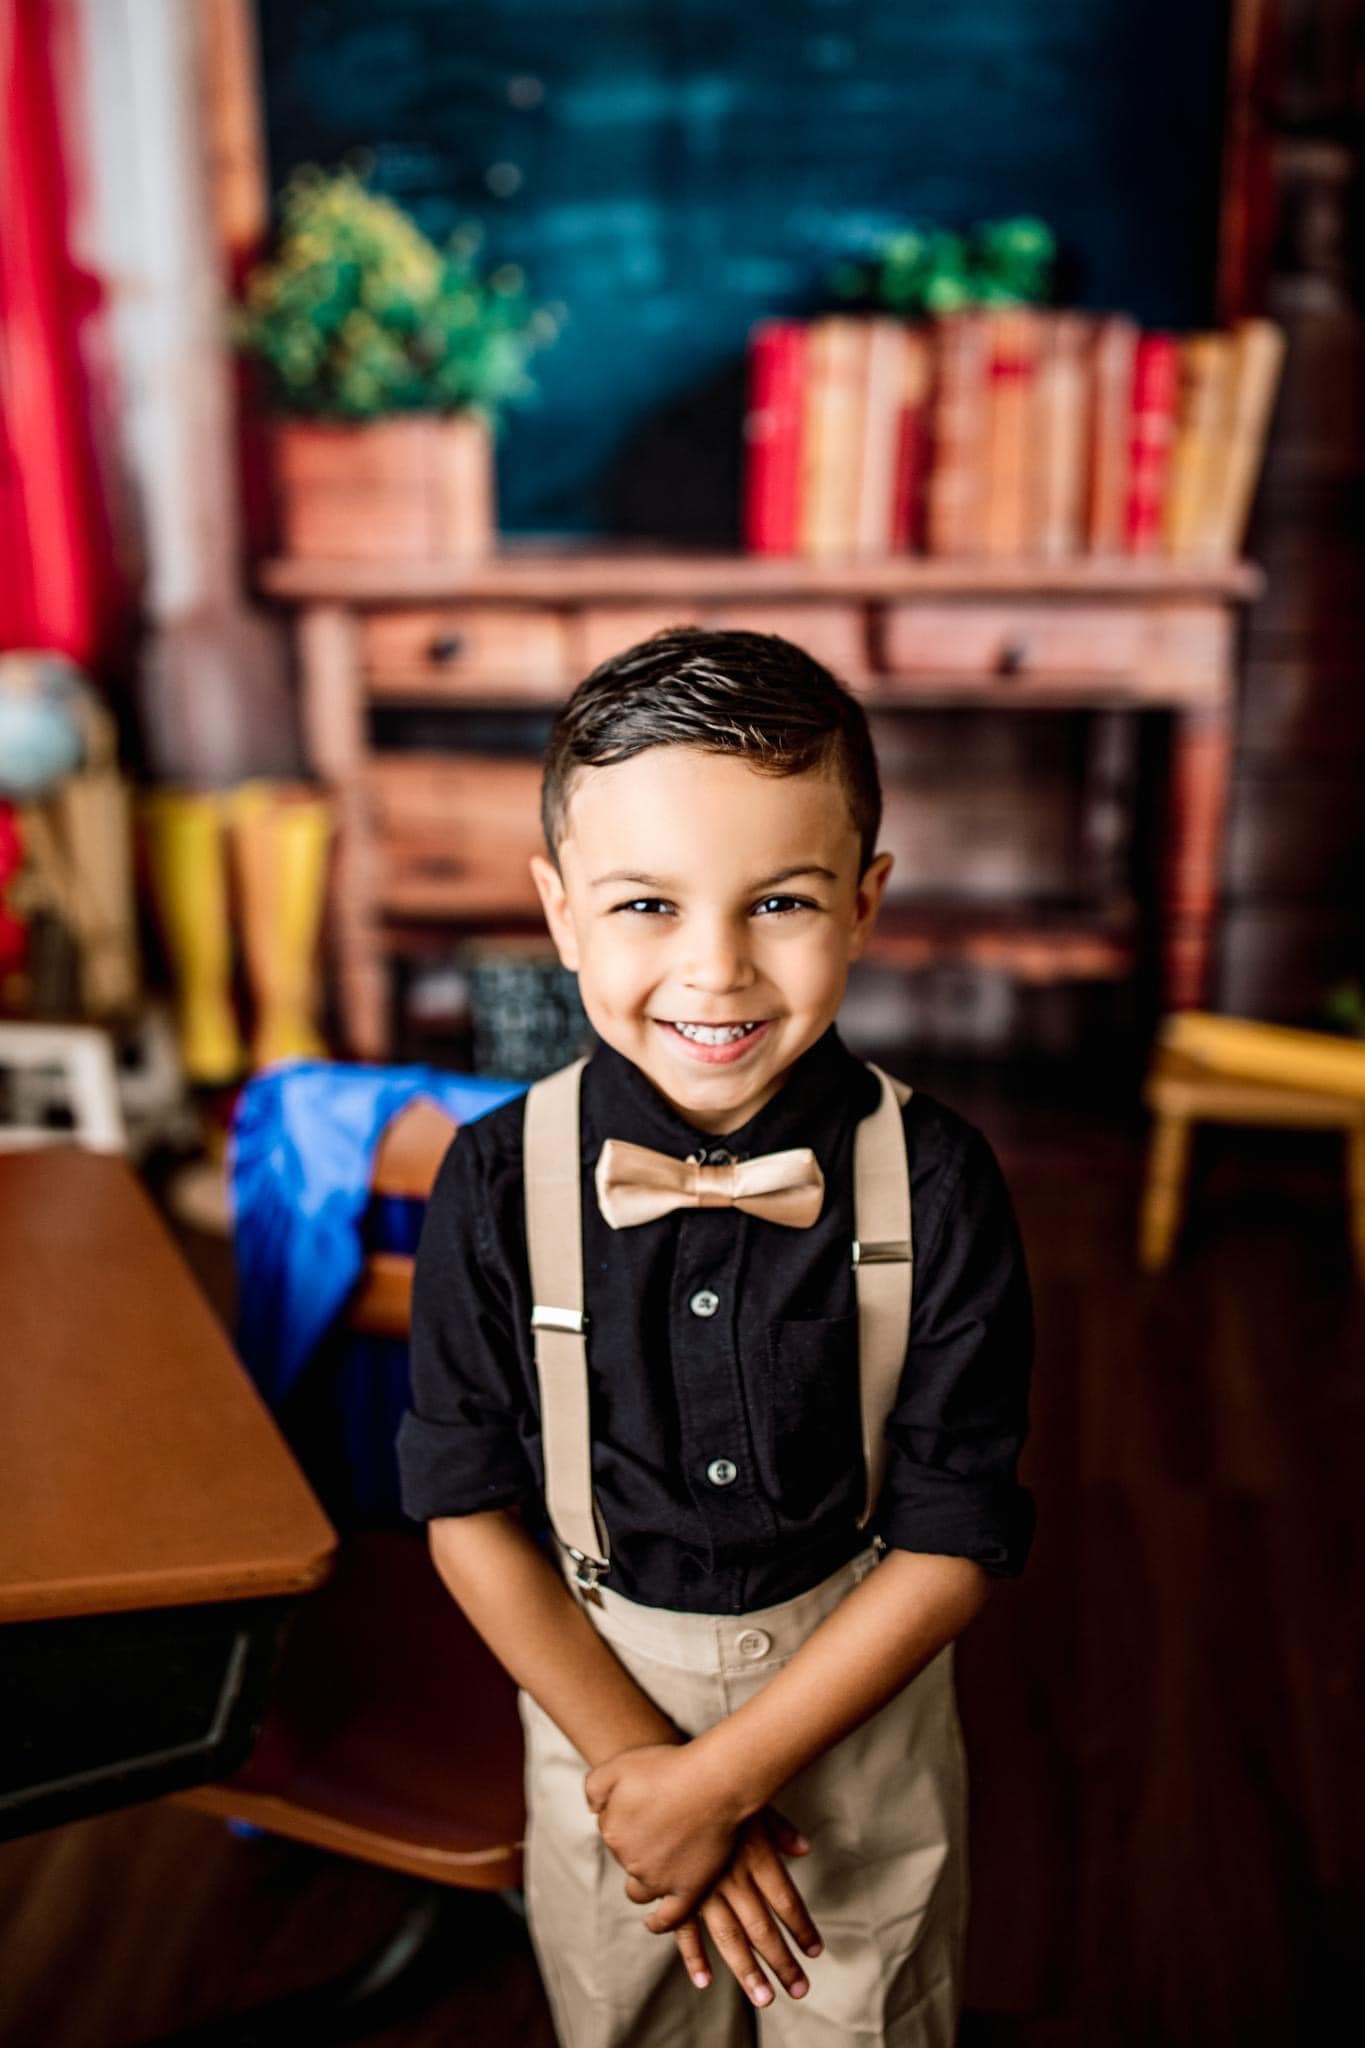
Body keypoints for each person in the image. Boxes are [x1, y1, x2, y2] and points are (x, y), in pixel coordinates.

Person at [397, 627, 1035, 2046]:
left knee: (865, 2018)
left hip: (856, 1702)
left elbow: (952, 1535)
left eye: (781, 902)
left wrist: (730, 1775)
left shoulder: (936, 1181)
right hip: (597, 1707)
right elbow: (464, 1510)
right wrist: (656, 1778)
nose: (714, 970)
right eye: (643, 906)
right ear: (558, 915)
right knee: (625, 2024)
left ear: (864, 904)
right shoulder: (496, 1182)